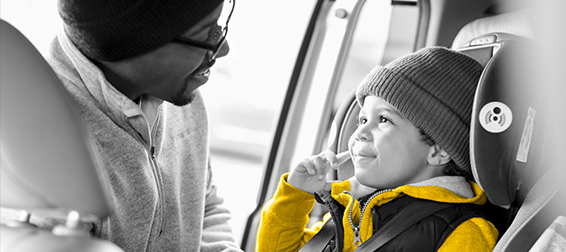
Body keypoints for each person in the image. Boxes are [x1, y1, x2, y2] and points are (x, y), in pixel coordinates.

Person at [1, 0, 243, 251]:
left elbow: (206, 206)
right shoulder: (45, 150)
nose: (222, 48)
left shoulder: (181, 93)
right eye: (207, 35)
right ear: (138, 41)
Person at [256, 47, 499, 251]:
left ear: (438, 151)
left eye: (384, 120)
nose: (359, 132)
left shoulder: (463, 231)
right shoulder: (352, 211)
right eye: (362, 120)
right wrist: (295, 196)